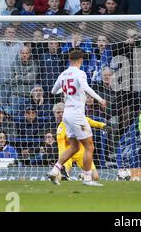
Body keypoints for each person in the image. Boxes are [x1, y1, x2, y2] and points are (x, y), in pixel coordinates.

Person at [47, 49, 107, 186]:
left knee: (74, 146)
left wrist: (67, 89)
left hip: (66, 114)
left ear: (70, 60)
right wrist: (100, 99)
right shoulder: (80, 73)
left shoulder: (63, 74)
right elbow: (85, 87)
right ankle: (87, 178)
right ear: (80, 60)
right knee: (89, 146)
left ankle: (55, 169)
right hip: (77, 114)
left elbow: (53, 91)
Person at [56, 116, 107, 181]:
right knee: (63, 176)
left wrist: (103, 125)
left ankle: (82, 175)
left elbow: (92, 122)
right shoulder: (61, 127)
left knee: (95, 177)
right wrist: (62, 160)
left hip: (81, 153)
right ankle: (61, 175)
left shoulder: (81, 119)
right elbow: (61, 147)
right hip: (68, 153)